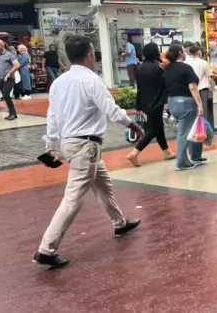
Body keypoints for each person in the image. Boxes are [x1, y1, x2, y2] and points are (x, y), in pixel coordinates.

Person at [34, 35, 143, 268]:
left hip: (70, 143)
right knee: (73, 197)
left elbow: (52, 116)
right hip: (86, 146)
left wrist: (51, 146)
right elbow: (111, 110)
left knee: (103, 184)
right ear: (90, 55)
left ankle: (120, 223)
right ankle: (46, 248)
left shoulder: (59, 82)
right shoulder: (91, 80)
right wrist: (133, 125)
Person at [127, 42, 175, 167]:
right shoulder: (157, 68)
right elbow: (165, 83)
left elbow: (139, 89)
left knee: (158, 127)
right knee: (152, 130)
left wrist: (138, 105)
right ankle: (134, 153)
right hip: (156, 102)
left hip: (145, 102)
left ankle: (167, 152)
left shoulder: (140, 68)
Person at [164, 44, 207, 171]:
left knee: (189, 129)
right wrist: (199, 104)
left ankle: (195, 156)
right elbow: (192, 86)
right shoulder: (185, 68)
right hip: (186, 103)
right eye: (183, 51)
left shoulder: (167, 68)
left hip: (172, 102)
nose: (185, 53)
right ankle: (181, 162)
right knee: (184, 133)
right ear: (180, 53)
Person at [0, 39, 20, 120]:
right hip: (0, 78)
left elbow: (17, 65)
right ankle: (12, 113)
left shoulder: (9, 55)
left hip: (8, 78)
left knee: (5, 94)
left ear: (2, 45)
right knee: (5, 96)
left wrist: (9, 73)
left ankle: (12, 113)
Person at [186, 45, 215, 128]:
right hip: (203, 88)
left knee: (195, 109)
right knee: (206, 109)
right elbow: (210, 74)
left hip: (192, 90)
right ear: (199, 52)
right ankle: (206, 127)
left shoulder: (188, 63)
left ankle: (196, 127)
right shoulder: (203, 62)